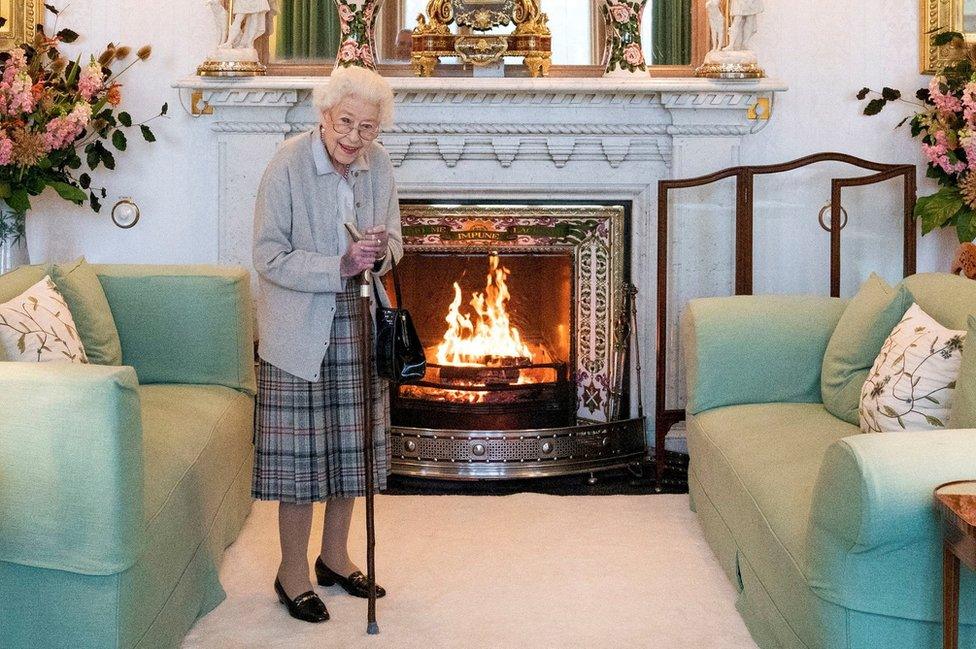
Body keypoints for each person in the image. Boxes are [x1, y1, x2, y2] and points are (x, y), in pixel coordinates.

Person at [251, 65, 401, 624]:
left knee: (349, 451)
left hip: (359, 321)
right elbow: (267, 256)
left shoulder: (378, 165)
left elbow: (396, 240)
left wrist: (380, 251)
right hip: (298, 328)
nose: (354, 138)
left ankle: (334, 558)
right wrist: (338, 265)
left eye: (367, 128)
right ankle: (291, 572)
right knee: (301, 462)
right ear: (323, 114)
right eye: (345, 123)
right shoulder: (287, 164)